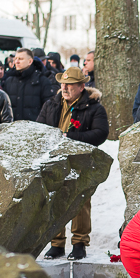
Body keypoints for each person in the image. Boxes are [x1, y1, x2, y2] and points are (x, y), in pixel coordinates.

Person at [36, 67, 109, 261]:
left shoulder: (94, 107)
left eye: (70, 85)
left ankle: (79, 243)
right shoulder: (51, 104)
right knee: (54, 201)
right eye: (63, 84)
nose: (65, 88)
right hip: (54, 160)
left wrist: (71, 137)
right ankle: (56, 243)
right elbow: (39, 127)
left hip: (80, 161)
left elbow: (100, 133)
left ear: (81, 87)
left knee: (80, 202)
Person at [1, 48, 56, 122]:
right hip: (12, 127)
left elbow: (49, 109)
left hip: (35, 127)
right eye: (15, 59)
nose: (17, 62)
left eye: (20, 59)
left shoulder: (42, 81)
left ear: (30, 61)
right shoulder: (9, 81)